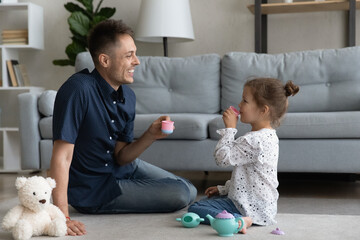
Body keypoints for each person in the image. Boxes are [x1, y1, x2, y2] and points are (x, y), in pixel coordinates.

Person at [49, 19, 197, 236]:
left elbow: (121, 156)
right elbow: (62, 157)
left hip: (122, 169)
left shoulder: (128, 95)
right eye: (129, 55)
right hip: (95, 189)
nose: (136, 62)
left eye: (135, 54)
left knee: (191, 190)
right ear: (104, 60)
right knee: (181, 194)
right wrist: (62, 216)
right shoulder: (77, 89)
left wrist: (150, 135)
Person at [188, 78, 299, 234]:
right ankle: (239, 216)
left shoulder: (253, 140)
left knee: (196, 208)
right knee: (209, 202)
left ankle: (237, 220)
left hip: (247, 207)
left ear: (263, 110)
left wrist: (230, 129)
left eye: (245, 101)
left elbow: (222, 159)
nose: (239, 105)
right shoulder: (270, 136)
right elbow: (251, 178)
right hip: (264, 207)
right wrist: (224, 189)